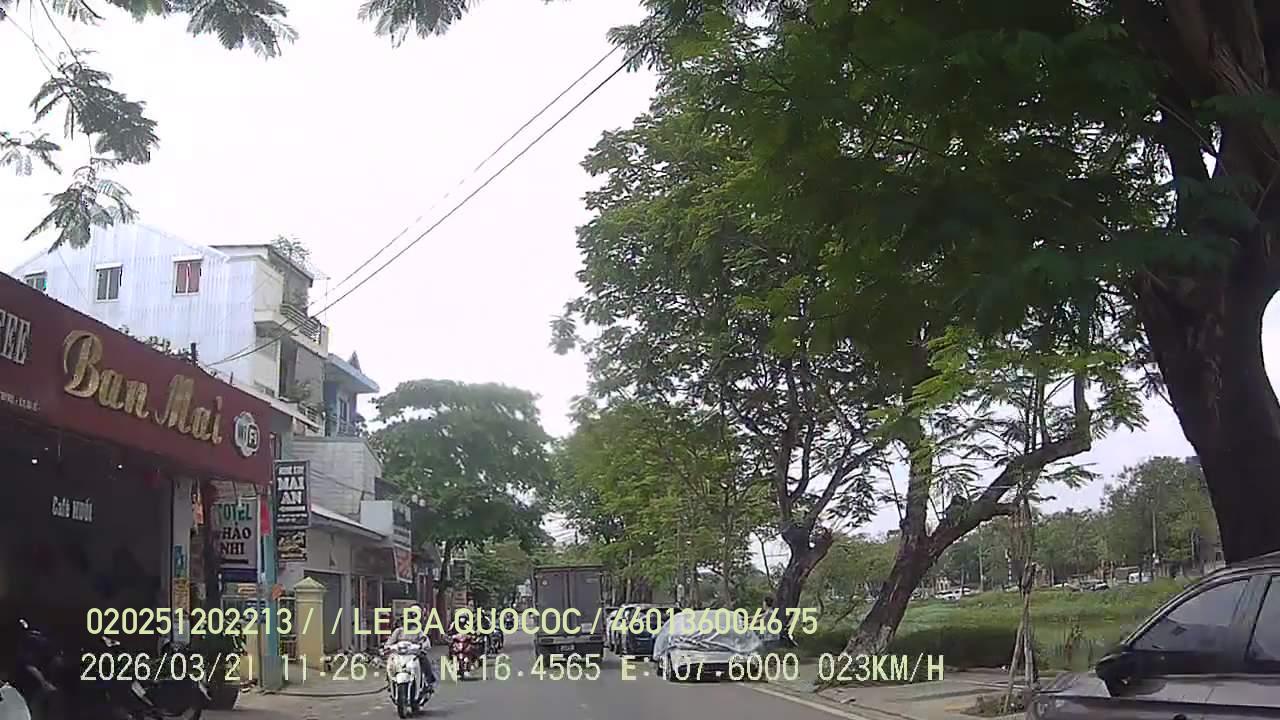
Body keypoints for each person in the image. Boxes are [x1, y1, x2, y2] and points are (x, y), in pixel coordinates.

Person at [385, 604, 436, 688]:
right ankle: (389, 680)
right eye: (405, 619)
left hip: (413, 655)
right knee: (390, 662)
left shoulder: (418, 631)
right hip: (399, 655)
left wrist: (422, 646)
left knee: (423, 659)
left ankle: (429, 679)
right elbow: (389, 642)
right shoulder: (398, 631)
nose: (407, 621)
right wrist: (387, 647)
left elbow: (425, 641)